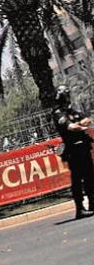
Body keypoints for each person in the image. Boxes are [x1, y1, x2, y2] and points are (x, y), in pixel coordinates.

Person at [53, 87, 93, 219]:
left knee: (89, 177)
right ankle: (79, 208)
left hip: (84, 148)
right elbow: (71, 127)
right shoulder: (58, 112)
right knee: (77, 179)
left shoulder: (71, 111)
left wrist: (80, 124)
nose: (68, 97)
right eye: (66, 95)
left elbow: (87, 119)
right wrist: (80, 126)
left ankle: (92, 203)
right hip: (73, 151)